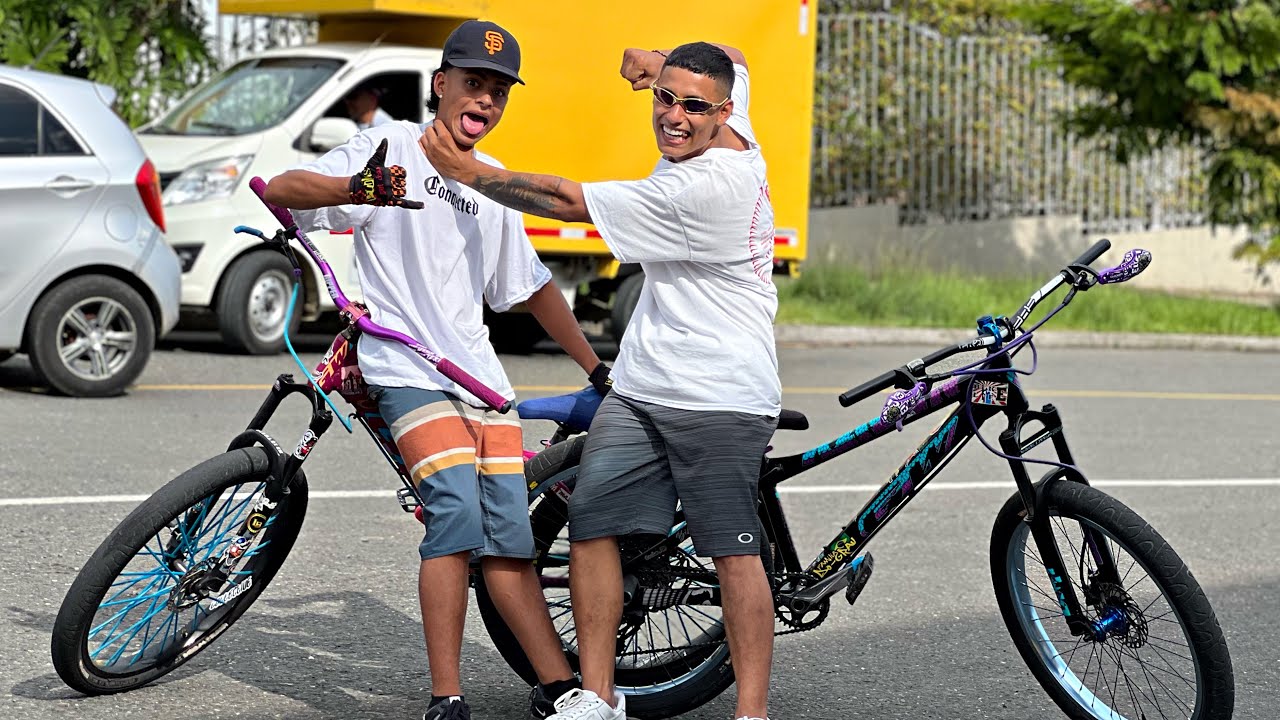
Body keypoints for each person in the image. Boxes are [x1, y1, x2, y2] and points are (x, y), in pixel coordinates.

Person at [263, 20, 614, 720]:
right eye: (473, 83)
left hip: (482, 380)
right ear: (441, 85)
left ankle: (556, 688)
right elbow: (285, 186)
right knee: (454, 513)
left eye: (498, 91)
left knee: (510, 544)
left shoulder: (493, 183)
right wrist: (358, 187)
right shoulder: (387, 148)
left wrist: (595, 366)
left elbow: (533, 287)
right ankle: (446, 698)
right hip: (406, 364)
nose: (484, 99)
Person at [422, 41, 780, 720]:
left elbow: (563, 200)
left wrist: (465, 173)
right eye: (664, 98)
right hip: (644, 384)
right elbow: (731, 54)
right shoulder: (732, 111)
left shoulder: (702, 188)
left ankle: (751, 713)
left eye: (691, 107)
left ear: (723, 113)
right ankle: (597, 698)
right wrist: (659, 58)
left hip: (720, 392)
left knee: (733, 551)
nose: (672, 116)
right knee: (590, 525)